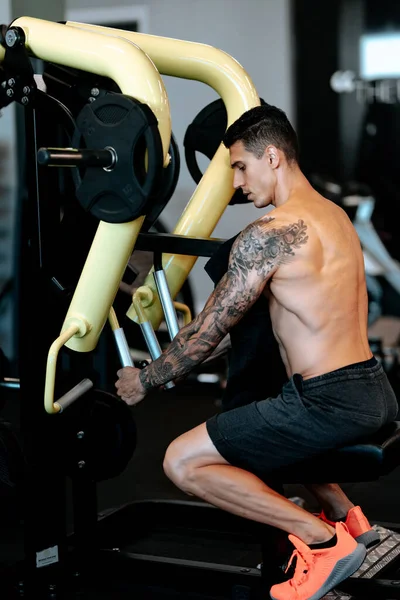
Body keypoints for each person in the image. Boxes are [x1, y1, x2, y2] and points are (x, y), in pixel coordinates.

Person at [115, 104, 398, 600]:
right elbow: (244, 324)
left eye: (240, 166)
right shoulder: (336, 217)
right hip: (374, 388)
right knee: (264, 425)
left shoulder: (268, 236)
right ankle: (349, 520)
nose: (237, 183)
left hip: (327, 402)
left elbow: (205, 333)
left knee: (182, 461)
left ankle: (324, 541)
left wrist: (145, 379)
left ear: (272, 157)